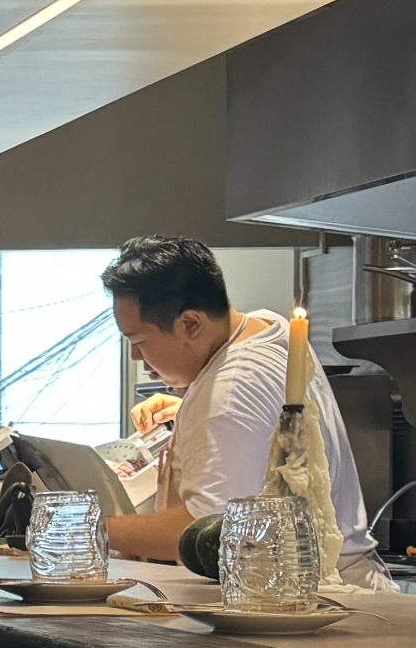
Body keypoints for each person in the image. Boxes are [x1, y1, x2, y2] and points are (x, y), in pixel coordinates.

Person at [96, 237, 390, 587]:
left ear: (190, 324)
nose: (135, 356)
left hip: (320, 593)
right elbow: (260, 422)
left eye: (138, 341)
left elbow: (208, 532)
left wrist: (90, 528)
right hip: (329, 582)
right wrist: (190, 412)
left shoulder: (230, 392)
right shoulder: (264, 326)